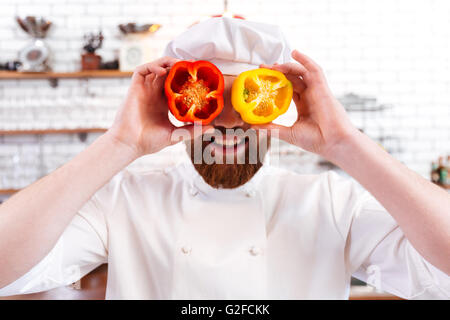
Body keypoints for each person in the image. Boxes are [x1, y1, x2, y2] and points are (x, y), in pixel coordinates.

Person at [0, 17, 449, 299]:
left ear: (280, 102)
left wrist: (346, 142)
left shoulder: (332, 203)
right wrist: (118, 144)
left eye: (251, 97)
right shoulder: (123, 200)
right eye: (208, 99)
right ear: (176, 102)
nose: (230, 121)